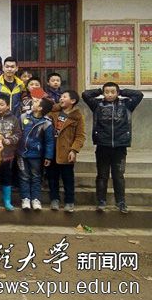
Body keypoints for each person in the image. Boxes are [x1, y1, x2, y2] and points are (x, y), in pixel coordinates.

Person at [82, 83, 142, 213]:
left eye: (113, 92)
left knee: (118, 176)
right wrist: (100, 90)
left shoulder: (126, 105)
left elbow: (139, 94)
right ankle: (101, 201)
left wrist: (122, 91)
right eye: (107, 92)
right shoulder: (97, 105)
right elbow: (85, 95)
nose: (109, 94)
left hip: (120, 146)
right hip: (103, 145)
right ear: (103, 93)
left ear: (117, 93)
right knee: (102, 175)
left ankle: (120, 202)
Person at [48, 90, 86, 213]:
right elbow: (45, 103)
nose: (61, 98)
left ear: (73, 101)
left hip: (67, 152)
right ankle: (54, 199)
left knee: (68, 178)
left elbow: (80, 136)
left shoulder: (77, 116)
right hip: (52, 150)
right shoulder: (53, 112)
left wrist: (74, 150)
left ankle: (69, 201)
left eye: (64, 97)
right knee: (52, 177)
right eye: (61, 97)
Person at [18, 97, 55, 210]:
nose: (33, 103)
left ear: (40, 108)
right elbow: (17, 132)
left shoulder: (46, 123)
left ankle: (36, 199)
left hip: (36, 155)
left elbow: (49, 141)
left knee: (36, 176)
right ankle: (25, 198)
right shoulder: (24, 117)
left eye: (36, 102)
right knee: (24, 176)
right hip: (22, 153)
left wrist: (48, 156)